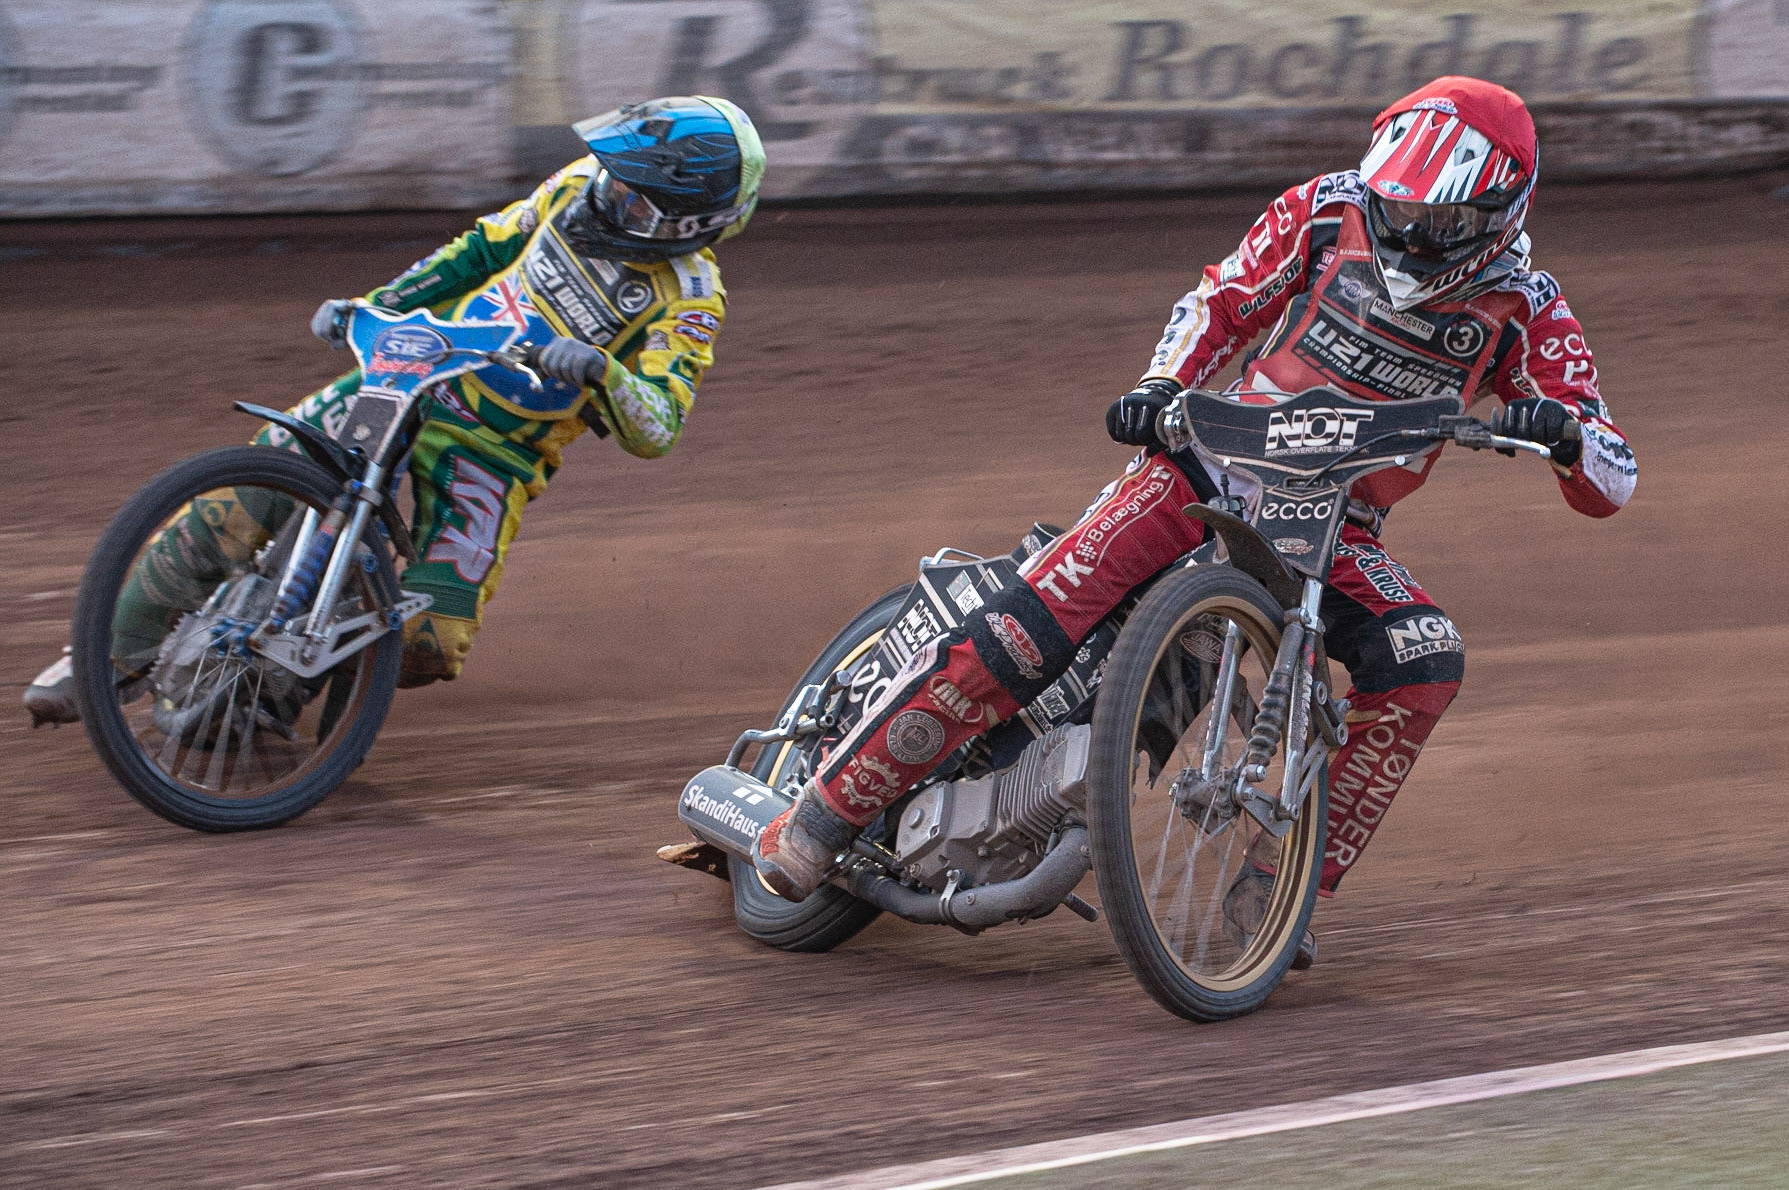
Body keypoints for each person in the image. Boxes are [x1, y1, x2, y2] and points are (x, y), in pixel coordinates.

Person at [751, 76, 1636, 965]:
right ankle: (824, 811)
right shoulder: (1323, 212)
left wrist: (1563, 435)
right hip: (1205, 464)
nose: (1409, 234)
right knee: (1027, 626)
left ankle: (1278, 890)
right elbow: (1221, 300)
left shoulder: (1527, 307)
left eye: (1435, 223)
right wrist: (1160, 386)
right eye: (1394, 210)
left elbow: (1612, 475)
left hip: (1338, 528)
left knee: (1425, 655)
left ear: (1498, 210)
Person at [24, 96, 764, 725]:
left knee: (431, 643)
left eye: (633, 195)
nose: (609, 194)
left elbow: (659, 428)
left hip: (496, 449)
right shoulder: (576, 185)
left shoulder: (688, 300)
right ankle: (102, 655)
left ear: (686, 223)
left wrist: (603, 370)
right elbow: (480, 250)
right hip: (415, 369)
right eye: (614, 175)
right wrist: (376, 305)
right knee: (240, 502)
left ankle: (285, 676)